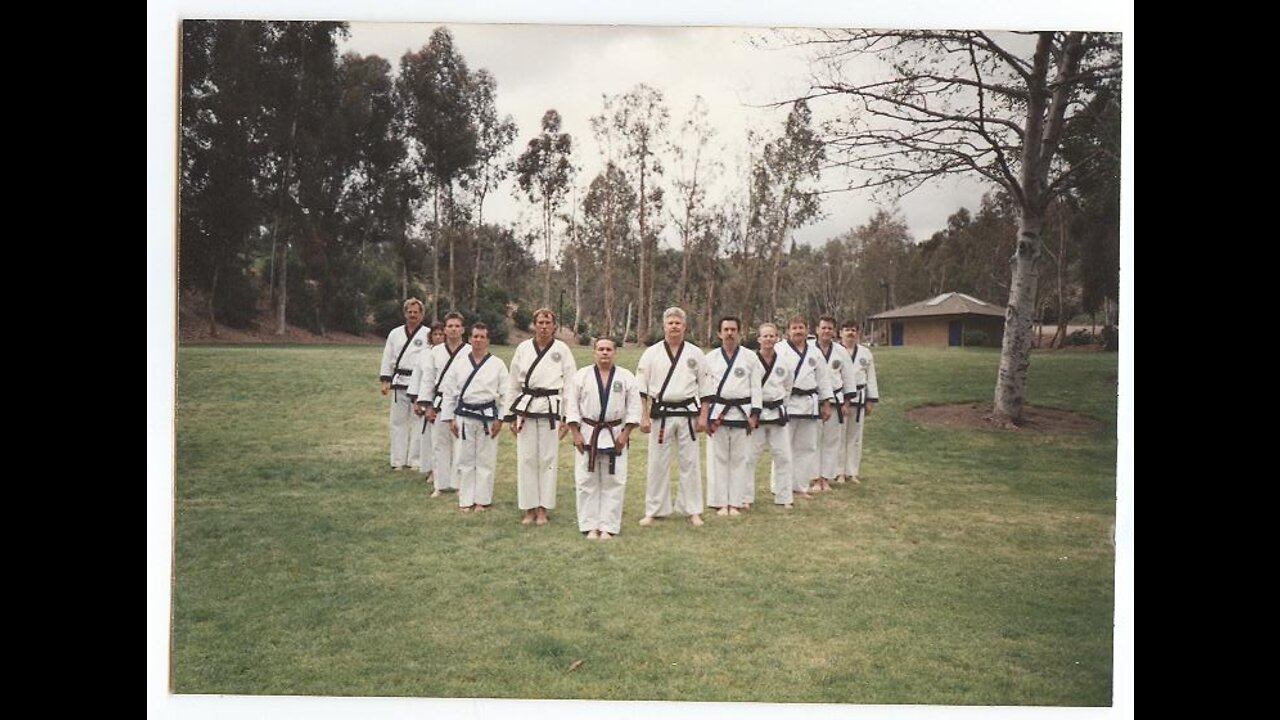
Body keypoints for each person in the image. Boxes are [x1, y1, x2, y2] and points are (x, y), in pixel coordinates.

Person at [636, 307, 707, 527]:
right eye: (670, 323)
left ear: (685, 326)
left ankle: (692, 510)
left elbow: (705, 388)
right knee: (657, 463)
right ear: (664, 326)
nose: (674, 326)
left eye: (678, 323)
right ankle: (654, 509)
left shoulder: (695, 353)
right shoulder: (651, 353)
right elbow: (641, 388)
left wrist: (703, 416)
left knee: (690, 463)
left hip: (688, 414)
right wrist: (644, 416)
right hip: (661, 414)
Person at [505, 308, 577, 526]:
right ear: (533, 325)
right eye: (540, 322)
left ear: (554, 326)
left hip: (552, 408)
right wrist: (509, 416)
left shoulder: (562, 350)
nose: (544, 326)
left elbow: (570, 385)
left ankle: (543, 508)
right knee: (526, 458)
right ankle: (528, 508)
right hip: (526, 408)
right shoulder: (523, 349)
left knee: (548, 459)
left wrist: (568, 417)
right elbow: (513, 383)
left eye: (548, 322)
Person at [567, 337, 641, 540]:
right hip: (588, 432)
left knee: (614, 480)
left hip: (615, 432)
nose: (605, 352)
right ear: (594, 352)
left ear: (615, 353)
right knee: (586, 480)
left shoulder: (626, 377)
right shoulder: (581, 376)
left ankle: (608, 526)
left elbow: (634, 407)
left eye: (609, 349)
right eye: (601, 349)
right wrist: (575, 433)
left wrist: (626, 433)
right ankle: (590, 525)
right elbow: (571, 406)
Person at [438, 323, 507, 512]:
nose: (478, 340)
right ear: (469, 339)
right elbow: (449, 393)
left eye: (482, 337)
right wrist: (449, 417)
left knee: (485, 460)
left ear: (488, 340)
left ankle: (482, 500)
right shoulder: (459, 364)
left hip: (487, 417)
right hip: (464, 415)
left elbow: (506, 394)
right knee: (465, 459)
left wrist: (500, 419)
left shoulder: (497, 364)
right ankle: (466, 499)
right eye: (475, 336)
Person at [700, 317, 761, 516]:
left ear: (739, 332)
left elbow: (756, 387)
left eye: (733, 329)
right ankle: (719, 501)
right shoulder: (710, 358)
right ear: (719, 333)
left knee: (739, 459)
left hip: (742, 412)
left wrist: (755, 413)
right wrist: (706, 415)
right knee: (718, 459)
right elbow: (704, 389)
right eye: (725, 329)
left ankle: (736, 501)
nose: (729, 333)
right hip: (718, 412)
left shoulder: (750, 357)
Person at [775, 316, 833, 500]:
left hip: (809, 403)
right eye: (794, 328)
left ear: (807, 330)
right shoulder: (779, 350)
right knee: (784, 448)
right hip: (788, 402)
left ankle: (800, 486)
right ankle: (780, 487)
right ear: (787, 331)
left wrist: (826, 403)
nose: (798, 331)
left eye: (801, 327)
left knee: (807, 447)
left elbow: (823, 379)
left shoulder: (815, 352)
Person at [414, 312, 469, 497]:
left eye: (456, 326)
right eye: (450, 326)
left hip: (461, 401)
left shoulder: (469, 351)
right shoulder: (435, 352)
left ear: (462, 329)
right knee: (439, 443)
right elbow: (428, 380)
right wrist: (427, 405)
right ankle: (440, 484)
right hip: (439, 401)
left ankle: (458, 483)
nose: (453, 329)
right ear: (444, 329)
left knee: (460, 444)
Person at [746, 322, 795, 509]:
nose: (768, 339)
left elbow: (788, 387)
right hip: (756, 414)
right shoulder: (751, 361)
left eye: (771, 336)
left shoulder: (784, 363)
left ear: (777, 338)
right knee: (750, 457)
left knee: (783, 456)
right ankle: (746, 497)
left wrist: (782, 404)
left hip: (777, 412)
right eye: (764, 336)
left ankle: (784, 497)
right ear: (759, 339)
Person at [378, 298, 429, 470]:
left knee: (418, 422)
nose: (412, 315)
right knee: (397, 422)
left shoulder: (428, 334)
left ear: (422, 314)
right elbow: (387, 356)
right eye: (410, 312)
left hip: (420, 383)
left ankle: (415, 460)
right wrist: (386, 379)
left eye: (416, 312)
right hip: (400, 381)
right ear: (405, 313)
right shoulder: (395, 333)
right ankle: (397, 460)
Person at [813, 315, 856, 493]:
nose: (826, 331)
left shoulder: (841, 351)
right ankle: (814, 478)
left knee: (832, 441)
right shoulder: (808, 349)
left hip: (836, 400)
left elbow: (848, 378)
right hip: (814, 400)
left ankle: (826, 478)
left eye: (830, 328)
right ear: (817, 329)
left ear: (834, 331)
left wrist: (847, 403)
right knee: (813, 441)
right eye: (823, 328)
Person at [838, 321, 880, 484]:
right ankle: (839, 471)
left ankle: (852, 471)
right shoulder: (836, 351)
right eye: (847, 330)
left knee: (855, 438)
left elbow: (871, 377)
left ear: (858, 333)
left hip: (860, 396)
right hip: (841, 399)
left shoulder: (865, 353)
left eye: (853, 330)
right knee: (840, 436)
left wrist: (871, 400)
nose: (850, 333)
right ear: (840, 333)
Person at [408, 322, 445, 482]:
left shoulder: (454, 353)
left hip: (446, 399)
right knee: (428, 437)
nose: (438, 337)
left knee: (444, 438)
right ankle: (430, 469)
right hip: (428, 397)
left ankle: (445, 471)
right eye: (435, 334)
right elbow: (417, 377)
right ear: (431, 337)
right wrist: (417, 400)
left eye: (440, 334)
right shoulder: (424, 354)